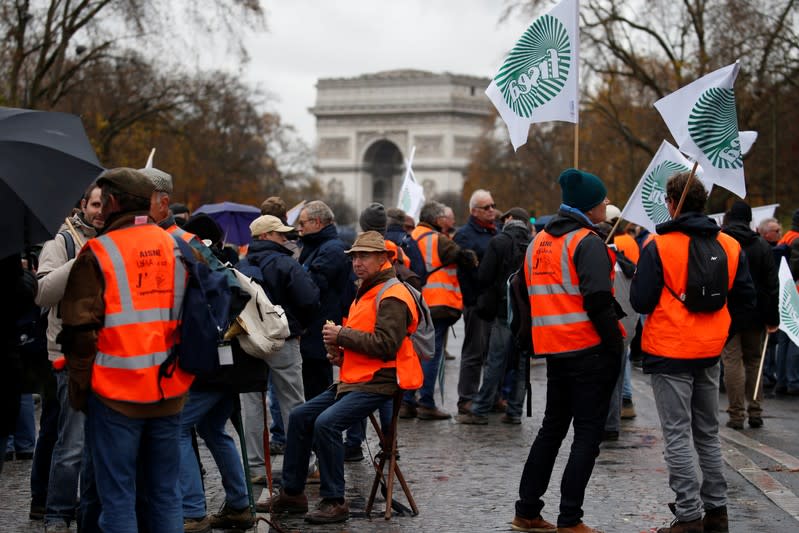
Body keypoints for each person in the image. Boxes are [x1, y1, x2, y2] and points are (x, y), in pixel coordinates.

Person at [58, 168, 195, 533]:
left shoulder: (99, 251)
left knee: (117, 499)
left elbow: (79, 329)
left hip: (116, 393)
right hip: (169, 389)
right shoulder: (179, 246)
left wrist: (80, 390)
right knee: (165, 495)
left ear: (115, 202)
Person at [261, 231, 422, 524]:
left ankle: (335, 501)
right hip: (357, 377)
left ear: (383, 259)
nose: (357, 263)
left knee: (327, 424)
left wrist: (342, 336)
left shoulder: (393, 294)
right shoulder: (367, 290)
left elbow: (387, 345)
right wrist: (341, 353)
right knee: (299, 416)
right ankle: (293, 494)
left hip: (381, 380)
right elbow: (368, 341)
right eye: (354, 257)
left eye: (364, 256)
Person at [631, 172, 755, 533]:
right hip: (710, 349)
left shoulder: (659, 245)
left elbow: (641, 299)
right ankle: (717, 510)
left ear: (672, 204)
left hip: (670, 349)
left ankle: (688, 515)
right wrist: (720, 328)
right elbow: (746, 300)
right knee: (707, 431)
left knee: (677, 434)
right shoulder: (730, 246)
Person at [513, 168, 624, 533]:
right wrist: (614, 346)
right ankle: (569, 519)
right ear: (588, 206)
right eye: (603, 199)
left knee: (552, 431)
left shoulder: (537, 242)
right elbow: (597, 299)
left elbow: (523, 294)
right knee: (587, 436)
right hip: (589, 349)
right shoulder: (586, 242)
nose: (607, 204)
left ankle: (527, 511)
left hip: (554, 353)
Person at [35, 181, 103, 533]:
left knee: (98, 443)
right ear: (83, 205)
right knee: (72, 442)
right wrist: (81, 259)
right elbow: (43, 292)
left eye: (106, 205)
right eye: (95, 205)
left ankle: (90, 514)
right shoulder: (60, 241)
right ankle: (58, 513)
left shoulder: (116, 240)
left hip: (107, 355)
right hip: (68, 357)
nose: (101, 211)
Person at [237, 215, 319, 483]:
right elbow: (309, 299)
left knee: (252, 405)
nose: (285, 238)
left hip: (249, 343)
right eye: (279, 234)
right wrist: (299, 327)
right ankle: (303, 464)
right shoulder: (285, 263)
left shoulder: (241, 265)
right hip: (283, 339)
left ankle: (255, 468)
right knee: (294, 404)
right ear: (264, 236)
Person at [459, 207, 532, 425]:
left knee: (495, 361)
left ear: (510, 220)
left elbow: (484, 276)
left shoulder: (499, 242)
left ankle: (480, 409)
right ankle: (515, 411)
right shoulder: (534, 243)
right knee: (521, 363)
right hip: (528, 311)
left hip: (503, 310)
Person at [403, 201, 475, 420]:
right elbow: (466, 260)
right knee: (431, 354)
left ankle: (406, 401)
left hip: (414, 301)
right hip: (438, 303)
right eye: (448, 217)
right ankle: (426, 401)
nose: (452, 222)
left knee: (413, 353)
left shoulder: (411, 236)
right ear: (438, 220)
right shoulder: (439, 240)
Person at [721, 201, 779, 429]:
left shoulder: (722, 243)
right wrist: (772, 318)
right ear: (749, 220)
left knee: (732, 361)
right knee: (755, 361)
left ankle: (736, 415)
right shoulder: (762, 246)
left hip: (728, 312)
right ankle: (755, 410)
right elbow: (771, 285)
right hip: (756, 313)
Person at [296, 200, 352, 400]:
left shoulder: (331, 250)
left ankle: (322, 430)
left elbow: (310, 287)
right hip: (314, 329)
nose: (299, 228)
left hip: (320, 330)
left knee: (318, 391)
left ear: (317, 222)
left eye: (303, 223)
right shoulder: (319, 247)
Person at [454, 189, 498, 414]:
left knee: (495, 352)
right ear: (474, 211)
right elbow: (469, 270)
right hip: (477, 302)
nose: (492, 210)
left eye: (493, 205)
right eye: (486, 207)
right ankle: (467, 398)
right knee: (474, 352)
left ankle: (492, 395)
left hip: (495, 301)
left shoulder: (495, 232)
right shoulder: (464, 235)